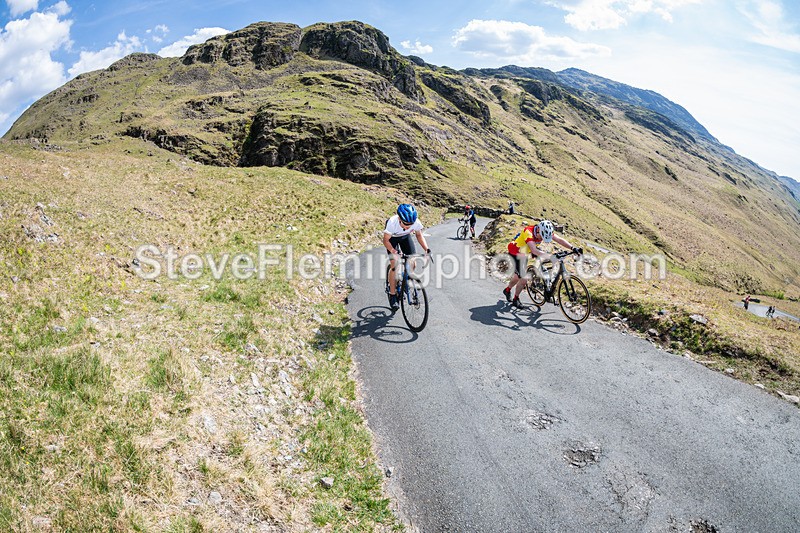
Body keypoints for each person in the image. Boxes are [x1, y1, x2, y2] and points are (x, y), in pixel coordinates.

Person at [502, 220, 581, 309]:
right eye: (542, 237)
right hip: (516, 252)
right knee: (522, 278)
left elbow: (559, 239)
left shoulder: (545, 231)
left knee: (541, 264)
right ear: (538, 230)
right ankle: (514, 297)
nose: (542, 239)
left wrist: (573, 248)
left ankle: (543, 280)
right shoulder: (528, 232)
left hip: (526, 250)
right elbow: (534, 250)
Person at [384, 203, 430, 311]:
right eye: (405, 224)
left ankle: (406, 280)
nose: (408, 227)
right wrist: (393, 251)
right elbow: (385, 240)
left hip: (405, 237)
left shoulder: (416, 222)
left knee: (412, 261)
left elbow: (419, 235)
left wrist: (427, 249)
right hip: (392, 239)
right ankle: (392, 294)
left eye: (411, 224)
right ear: (399, 218)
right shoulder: (392, 223)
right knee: (394, 265)